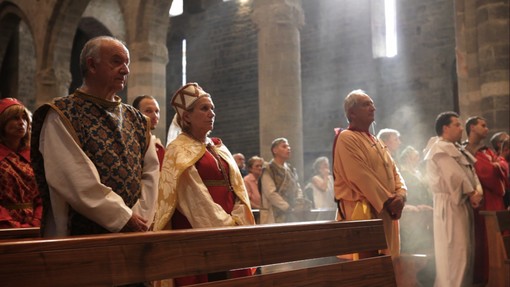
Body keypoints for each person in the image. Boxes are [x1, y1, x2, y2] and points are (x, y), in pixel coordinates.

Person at [30, 36, 160, 237]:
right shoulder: (62, 114)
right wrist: (123, 218)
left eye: (127, 63)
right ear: (91, 65)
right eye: (117, 61)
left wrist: (140, 217)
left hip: (136, 233)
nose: (125, 70)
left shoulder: (138, 119)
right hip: (84, 237)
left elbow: (151, 173)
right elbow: (73, 178)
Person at [153, 82, 255, 286]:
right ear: (187, 117)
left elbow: (238, 189)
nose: (211, 113)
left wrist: (239, 219)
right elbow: (194, 198)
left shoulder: (218, 147)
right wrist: (226, 226)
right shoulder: (177, 150)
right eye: (204, 108)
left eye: (212, 109)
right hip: (199, 233)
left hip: (231, 229)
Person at [333, 89, 406, 259]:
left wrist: (401, 195)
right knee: (368, 269)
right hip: (364, 212)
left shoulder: (377, 141)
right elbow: (360, 176)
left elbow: (395, 172)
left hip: (385, 211)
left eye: (372, 104)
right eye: (366, 105)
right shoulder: (346, 138)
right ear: (352, 113)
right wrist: (389, 201)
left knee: (386, 266)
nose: (372, 108)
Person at [423, 111, 483, 287]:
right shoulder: (439, 148)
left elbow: (471, 172)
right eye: (457, 125)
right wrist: (472, 193)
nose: (461, 129)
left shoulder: (457, 149)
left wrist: (476, 190)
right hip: (449, 204)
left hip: (461, 202)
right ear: (445, 128)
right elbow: (454, 176)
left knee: (465, 251)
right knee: (454, 253)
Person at [464, 116, 508, 285]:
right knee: (487, 239)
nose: (486, 129)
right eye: (483, 125)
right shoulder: (467, 150)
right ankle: (488, 275)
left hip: (496, 200)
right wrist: (497, 164)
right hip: (485, 201)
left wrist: (498, 164)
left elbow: (502, 165)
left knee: (499, 238)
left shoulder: (486, 150)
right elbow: (486, 172)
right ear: (472, 128)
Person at [0, 98, 42, 229]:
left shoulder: (33, 156)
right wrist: (12, 225)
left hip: (35, 227)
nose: (21, 123)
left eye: (24, 118)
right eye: (15, 118)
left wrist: (36, 221)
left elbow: (43, 195)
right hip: (5, 227)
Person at [259, 137, 308, 224]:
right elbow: (271, 193)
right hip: (274, 215)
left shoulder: (291, 169)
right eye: (284, 146)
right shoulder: (268, 169)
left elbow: (298, 188)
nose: (288, 149)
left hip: (292, 214)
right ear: (275, 150)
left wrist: (298, 203)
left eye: (288, 146)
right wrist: (287, 208)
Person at [132, 95, 165, 169]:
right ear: (135, 113)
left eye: (157, 111)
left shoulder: (158, 146)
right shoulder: (131, 143)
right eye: (148, 111)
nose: (155, 116)